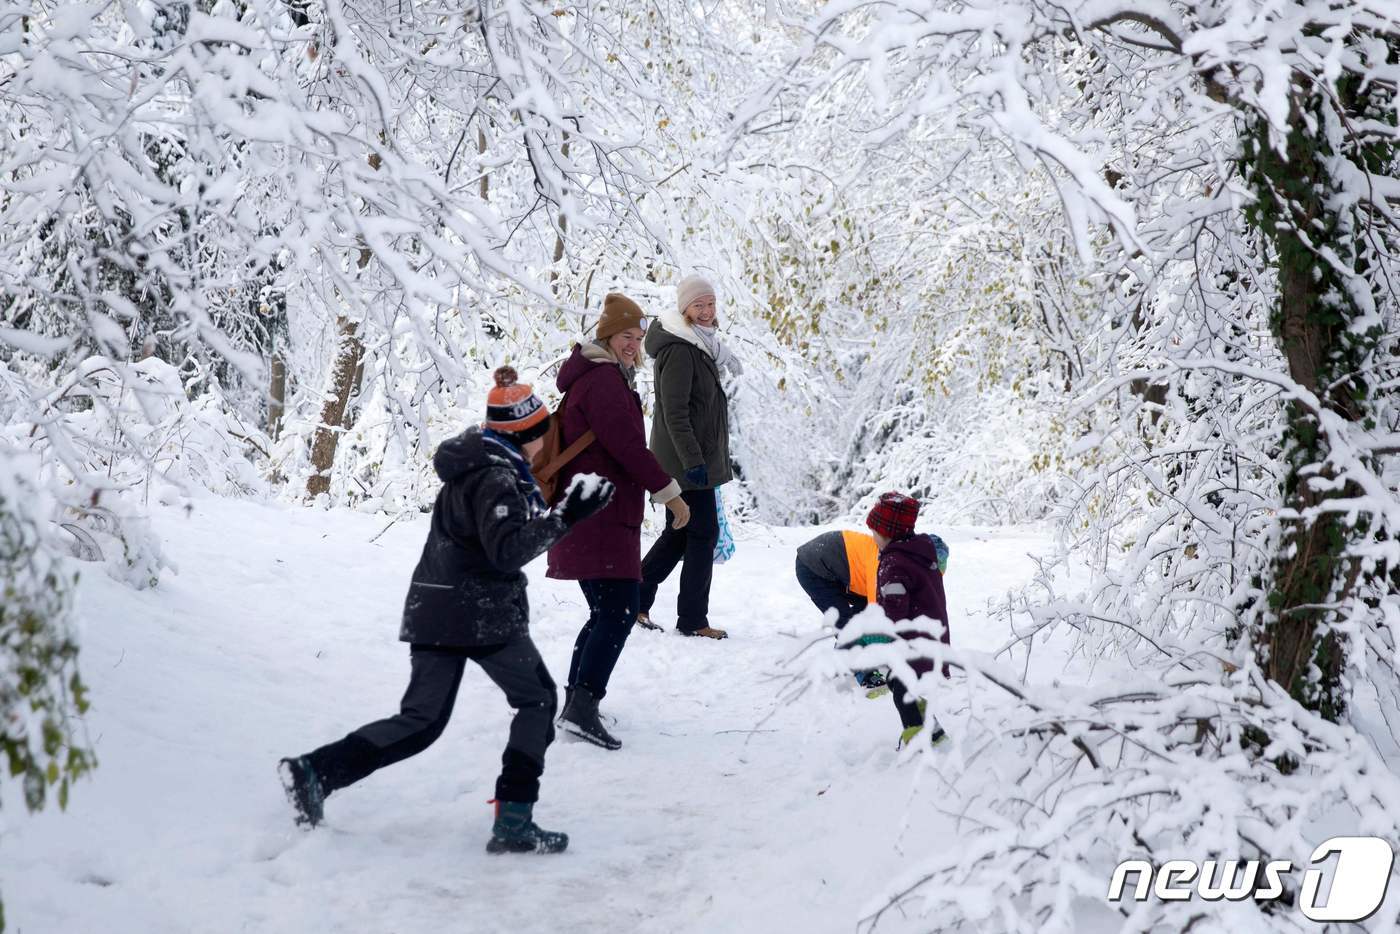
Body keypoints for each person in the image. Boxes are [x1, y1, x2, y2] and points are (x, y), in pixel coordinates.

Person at [277, 367, 615, 854]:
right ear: (529, 434)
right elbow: (505, 550)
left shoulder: (475, 466)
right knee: (538, 700)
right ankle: (514, 822)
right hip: (477, 613)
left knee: (421, 721)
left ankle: (314, 772)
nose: (547, 441)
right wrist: (566, 516)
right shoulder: (497, 476)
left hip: (436, 608)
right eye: (544, 431)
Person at [546, 293, 692, 750]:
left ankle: (577, 703)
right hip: (600, 515)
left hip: (592, 512)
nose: (633, 345)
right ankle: (582, 707)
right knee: (620, 610)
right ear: (607, 336)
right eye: (626, 336)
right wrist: (671, 494)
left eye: (638, 337)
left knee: (606, 611)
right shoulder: (604, 381)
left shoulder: (594, 377)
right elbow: (629, 448)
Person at [636, 274, 742, 639]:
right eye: (699, 305)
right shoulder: (681, 349)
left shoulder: (699, 345)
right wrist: (694, 461)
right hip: (686, 462)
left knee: (680, 533)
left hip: (690, 460)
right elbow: (674, 411)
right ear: (684, 309)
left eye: (711, 303)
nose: (707, 311)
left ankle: (635, 599)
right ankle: (693, 620)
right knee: (701, 534)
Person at [865, 492, 951, 747]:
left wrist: (878, 634)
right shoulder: (918, 553)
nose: (873, 538)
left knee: (900, 686)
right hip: (929, 635)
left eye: (874, 532)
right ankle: (931, 730)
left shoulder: (895, 563)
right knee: (904, 685)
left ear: (887, 533)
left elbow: (893, 610)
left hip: (911, 640)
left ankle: (920, 738)